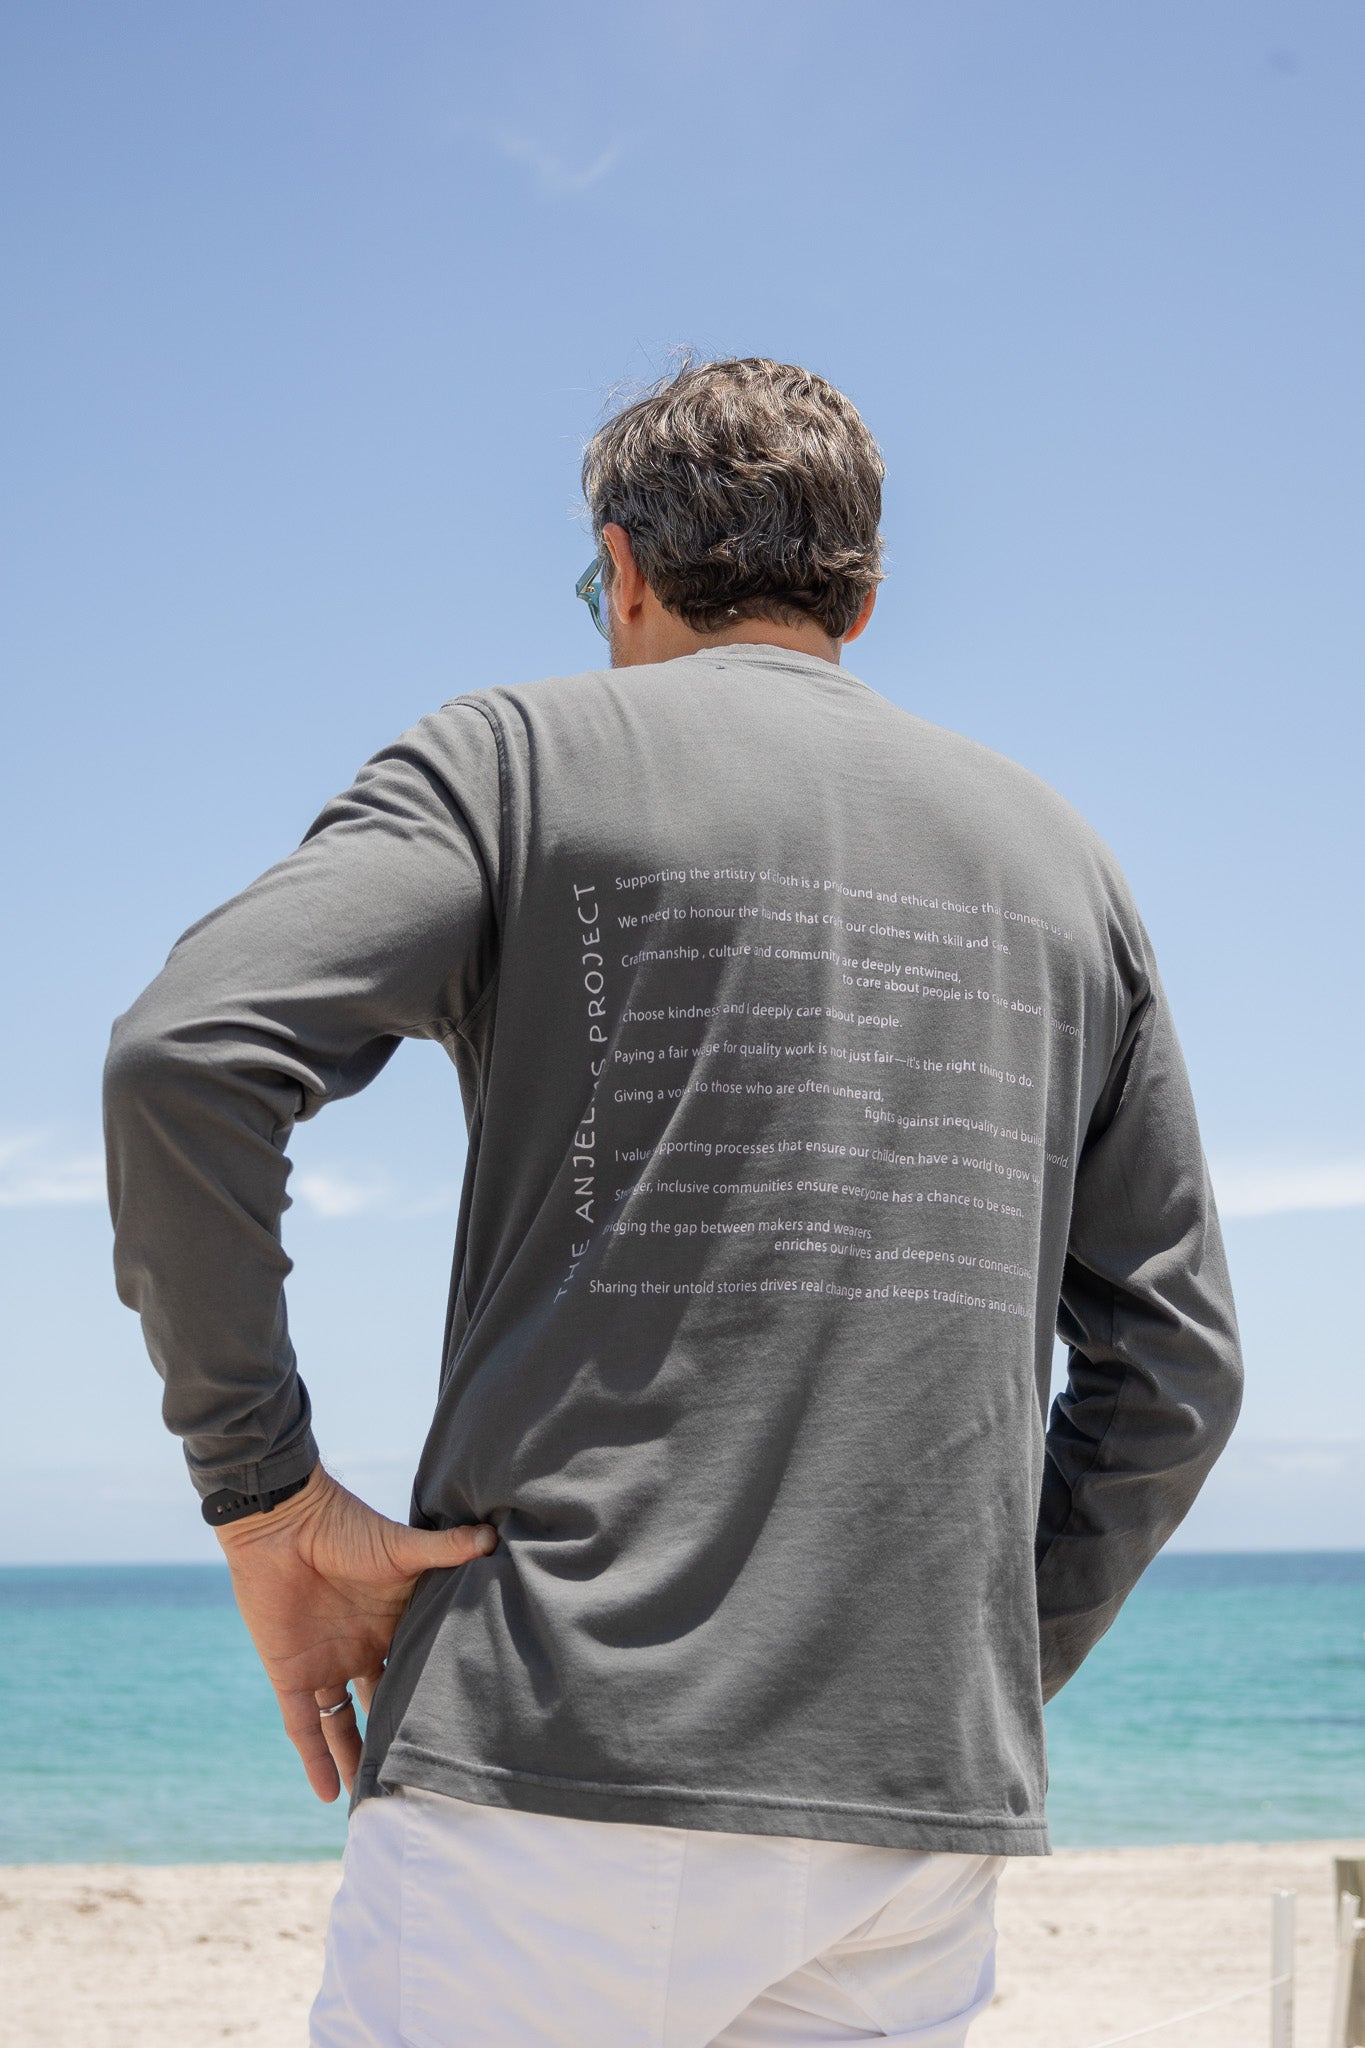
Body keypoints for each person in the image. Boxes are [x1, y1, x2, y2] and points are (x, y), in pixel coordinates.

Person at [103, 356, 1243, 2046]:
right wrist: (970, 1661)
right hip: (906, 1836)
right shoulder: (1062, 859)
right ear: (861, 597)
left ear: (623, 569)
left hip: (553, 1758)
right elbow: (1175, 1374)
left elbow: (186, 1058)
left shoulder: (517, 760)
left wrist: (262, 1495)